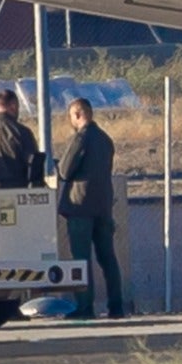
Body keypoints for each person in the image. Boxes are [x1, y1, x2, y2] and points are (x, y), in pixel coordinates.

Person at [56, 99, 125, 319]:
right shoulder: (105, 139)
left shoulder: (80, 138)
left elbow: (65, 170)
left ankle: (85, 307)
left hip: (80, 206)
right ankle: (117, 306)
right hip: (103, 206)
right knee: (108, 258)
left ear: (78, 115)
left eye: (71, 116)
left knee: (81, 259)